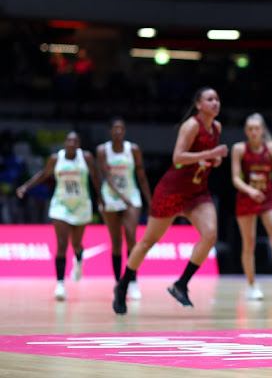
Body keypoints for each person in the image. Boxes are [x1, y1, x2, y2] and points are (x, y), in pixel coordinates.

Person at [112, 87, 228, 315]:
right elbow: (178, 158)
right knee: (148, 241)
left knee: (210, 234)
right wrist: (208, 155)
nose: (215, 103)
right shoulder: (192, 125)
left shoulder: (217, 127)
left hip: (196, 192)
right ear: (198, 104)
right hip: (172, 190)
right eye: (209, 99)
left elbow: (209, 159)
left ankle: (181, 284)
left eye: (217, 99)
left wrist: (215, 160)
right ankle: (123, 285)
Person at [16, 131, 101, 301]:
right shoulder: (56, 159)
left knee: (76, 244)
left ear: (79, 144)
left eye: (75, 141)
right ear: (65, 143)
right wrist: (25, 187)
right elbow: (43, 174)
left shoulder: (87, 158)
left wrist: (100, 197)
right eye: (69, 140)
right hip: (61, 205)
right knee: (62, 244)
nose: (71, 143)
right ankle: (60, 284)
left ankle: (79, 260)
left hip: (81, 205)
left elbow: (95, 178)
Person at [231, 113, 272, 300]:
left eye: (256, 128)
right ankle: (252, 286)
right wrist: (250, 191)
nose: (253, 132)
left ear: (262, 130)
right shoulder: (239, 149)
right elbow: (235, 178)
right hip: (246, 199)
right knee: (249, 243)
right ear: (246, 131)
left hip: (268, 198)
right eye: (250, 129)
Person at [97, 117, 152, 300]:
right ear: (110, 131)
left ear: (125, 131)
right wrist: (122, 198)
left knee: (130, 236)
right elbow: (107, 176)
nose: (118, 131)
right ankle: (118, 283)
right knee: (116, 242)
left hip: (132, 195)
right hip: (111, 197)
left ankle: (132, 281)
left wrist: (150, 201)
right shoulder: (102, 150)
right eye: (115, 128)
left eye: (121, 128)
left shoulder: (133, 149)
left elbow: (141, 175)